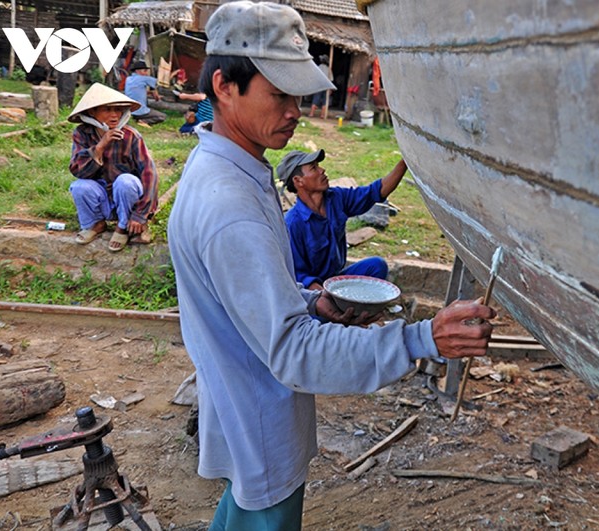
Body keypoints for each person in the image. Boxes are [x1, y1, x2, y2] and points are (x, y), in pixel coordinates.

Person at [166, 2, 494, 529]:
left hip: (240, 410)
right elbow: (293, 351)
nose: (296, 109)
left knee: (239, 510)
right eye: (279, 94)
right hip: (262, 424)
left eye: (297, 94)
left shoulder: (222, 171)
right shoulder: (231, 207)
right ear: (225, 86)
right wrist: (421, 339)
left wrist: (311, 301)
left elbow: (246, 300)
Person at [278, 149, 407, 290]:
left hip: (336, 282)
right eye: (314, 168)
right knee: (317, 310)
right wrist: (326, 300)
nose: (322, 170)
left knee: (376, 266)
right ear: (298, 181)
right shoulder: (293, 224)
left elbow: (375, 192)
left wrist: (405, 161)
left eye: (318, 165)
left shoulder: (336, 198)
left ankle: (347, 308)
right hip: (314, 293)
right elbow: (299, 277)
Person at [68, 83, 159, 252]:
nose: (114, 115)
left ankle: (123, 226)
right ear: (91, 112)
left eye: (118, 110)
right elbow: (77, 170)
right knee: (79, 186)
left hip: (126, 199)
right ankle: (95, 223)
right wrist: (100, 147)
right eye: (107, 110)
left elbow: (149, 174)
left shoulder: (131, 136)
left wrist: (140, 215)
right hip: (102, 198)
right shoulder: (82, 133)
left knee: (126, 181)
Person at [124, 61, 166, 125]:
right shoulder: (144, 79)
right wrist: (172, 74)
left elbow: (136, 90)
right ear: (138, 71)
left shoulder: (128, 79)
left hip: (129, 110)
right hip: (140, 111)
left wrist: (150, 92)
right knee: (162, 116)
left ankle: (136, 119)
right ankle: (144, 121)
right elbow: (161, 82)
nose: (146, 73)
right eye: (145, 70)